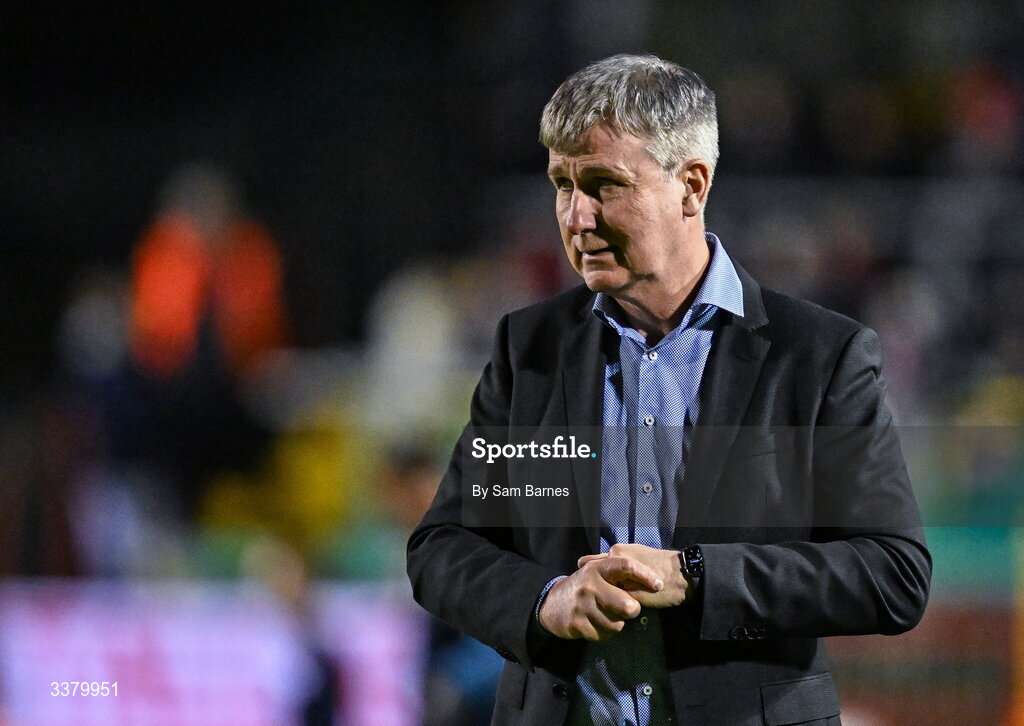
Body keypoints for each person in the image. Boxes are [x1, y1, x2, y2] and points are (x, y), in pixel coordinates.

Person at [407, 54, 931, 726]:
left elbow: (892, 573)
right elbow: (444, 546)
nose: (576, 217)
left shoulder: (818, 357)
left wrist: (697, 577)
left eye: (604, 184)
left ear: (691, 185)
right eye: (562, 185)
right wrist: (545, 598)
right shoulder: (529, 351)